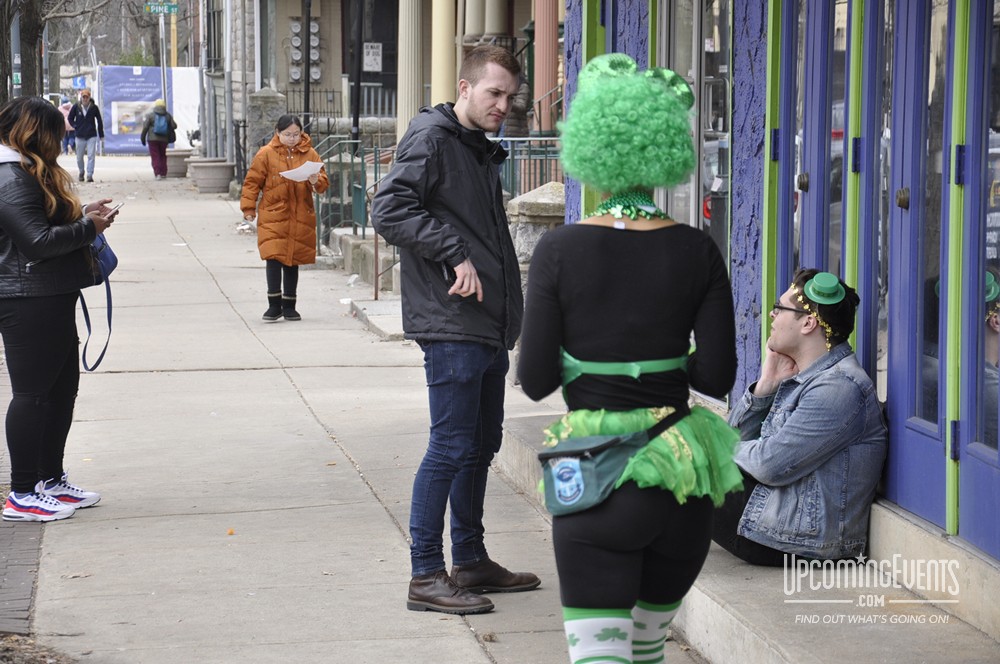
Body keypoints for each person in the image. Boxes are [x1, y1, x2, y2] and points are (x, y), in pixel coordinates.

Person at [516, 53, 744, 664]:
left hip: (598, 479)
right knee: (647, 652)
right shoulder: (698, 250)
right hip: (682, 477)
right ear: (664, 150)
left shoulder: (560, 250)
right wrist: (666, 364)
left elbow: (533, 379)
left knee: (600, 658)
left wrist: (588, 363)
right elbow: (718, 376)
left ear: (591, 147)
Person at [370, 44, 537, 616]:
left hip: (487, 323)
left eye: (510, 96)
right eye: (493, 93)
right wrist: (452, 251)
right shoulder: (433, 139)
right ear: (464, 88)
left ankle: (468, 559)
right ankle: (425, 574)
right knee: (449, 446)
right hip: (452, 322)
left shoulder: (476, 149)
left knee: (481, 444)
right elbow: (388, 209)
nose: (502, 105)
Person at [712, 269, 888, 565]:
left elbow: (768, 464)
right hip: (775, 514)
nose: (771, 315)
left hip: (801, 541)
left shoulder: (840, 387)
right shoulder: (807, 379)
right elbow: (741, 444)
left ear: (808, 322)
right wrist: (765, 388)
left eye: (779, 308)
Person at [0, 96, 120, 521]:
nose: (63, 139)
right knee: (33, 395)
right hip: (27, 298)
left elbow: (40, 226)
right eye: (57, 133)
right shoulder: (11, 177)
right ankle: (22, 492)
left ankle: (49, 479)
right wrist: (89, 227)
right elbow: (38, 242)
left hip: (47, 293)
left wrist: (83, 215)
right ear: (35, 133)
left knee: (60, 391)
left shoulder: (23, 173)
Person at [240, 114, 328, 321]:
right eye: (287, 134)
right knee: (273, 256)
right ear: (278, 133)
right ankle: (273, 304)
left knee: (292, 259)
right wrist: (248, 209)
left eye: (296, 134)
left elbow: (322, 183)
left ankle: (289, 305)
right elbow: (252, 182)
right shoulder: (266, 154)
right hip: (273, 213)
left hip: (300, 212)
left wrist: (316, 180)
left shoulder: (310, 153)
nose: (291, 138)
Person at [68, 88, 104, 183]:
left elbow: (99, 121)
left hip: (91, 135)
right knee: (79, 157)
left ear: (89, 98)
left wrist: (101, 134)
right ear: (81, 97)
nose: (85, 99)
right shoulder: (76, 107)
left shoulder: (94, 108)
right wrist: (75, 126)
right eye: (83, 97)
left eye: (86, 97)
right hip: (79, 135)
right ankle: (81, 171)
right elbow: (70, 118)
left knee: (91, 155)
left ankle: (89, 175)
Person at [139, 99, 177, 180]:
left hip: (152, 139)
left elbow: (145, 127)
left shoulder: (150, 115)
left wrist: (142, 138)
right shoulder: (168, 115)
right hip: (164, 139)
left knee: (155, 156)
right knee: (162, 155)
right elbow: (174, 126)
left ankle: (157, 173)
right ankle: (163, 173)